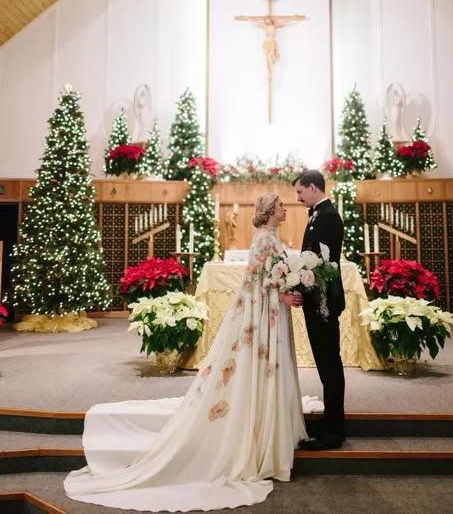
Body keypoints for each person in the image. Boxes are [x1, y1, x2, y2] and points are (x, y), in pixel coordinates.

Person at [64, 193, 306, 512]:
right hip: (265, 312)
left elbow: (272, 275)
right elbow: (255, 281)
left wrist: (287, 287)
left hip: (274, 312)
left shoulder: (272, 237)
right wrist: (282, 292)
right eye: (280, 206)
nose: (285, 209)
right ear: (269, 211)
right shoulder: (263, 239)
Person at [292, 169, 346, 450]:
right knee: (326, 364)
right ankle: (331, 422)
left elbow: (322, 265)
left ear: (312, 188)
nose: (298, 198)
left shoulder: (327, 217)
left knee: (329, 363)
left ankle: (334, 431)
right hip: (317, 301)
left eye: (300, 192)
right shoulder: (318, 215)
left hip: (323, 302)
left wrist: (299, 284)